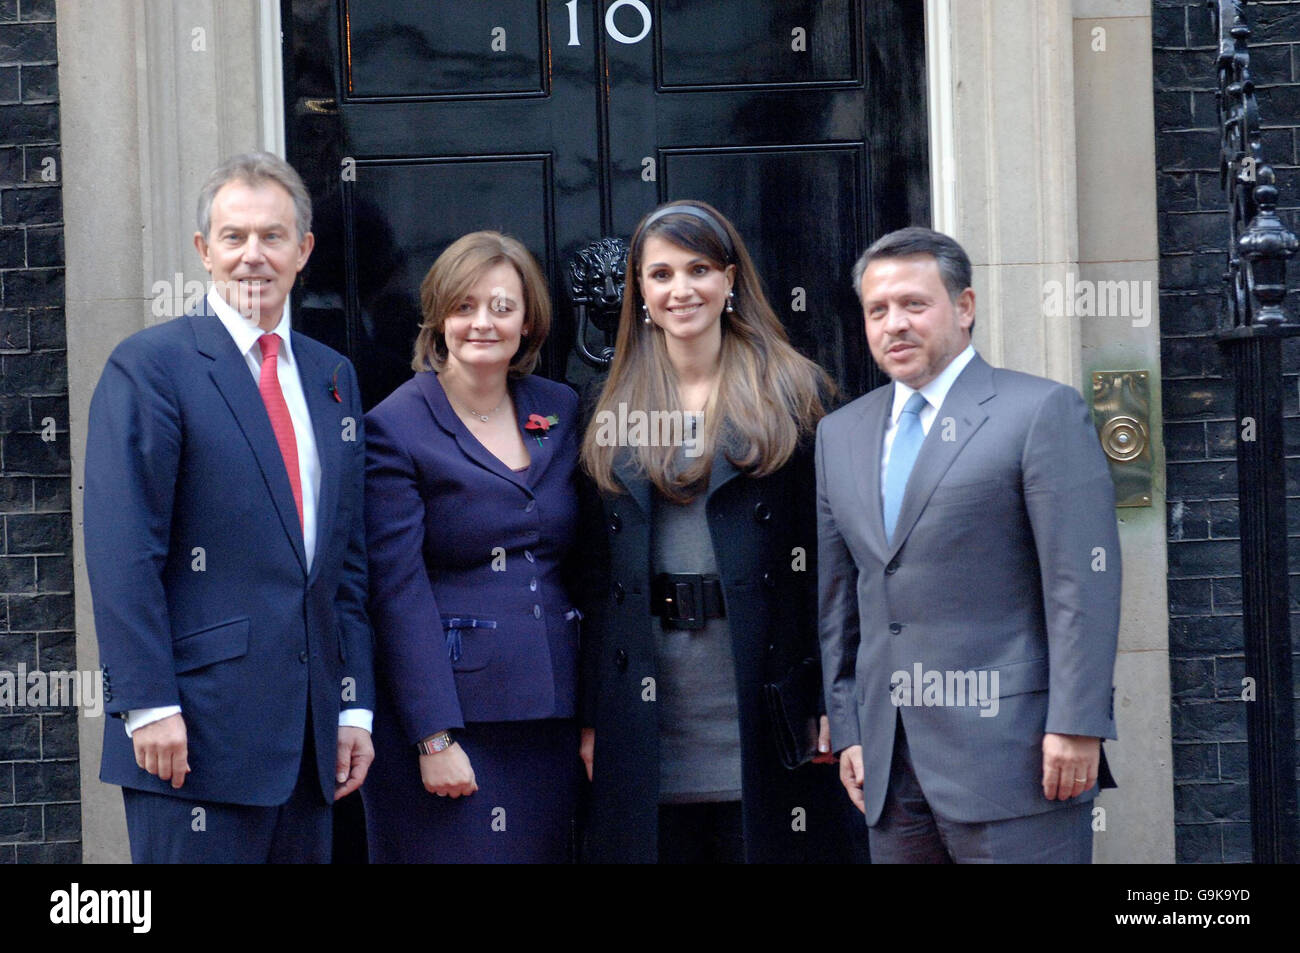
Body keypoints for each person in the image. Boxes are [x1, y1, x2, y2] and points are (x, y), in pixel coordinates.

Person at [83, 152, 375, 863]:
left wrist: (354, 705)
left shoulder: (331, 375)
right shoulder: (150, 366)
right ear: (203, 251)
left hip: (309, 745)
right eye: (234, 236)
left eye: (273, 236)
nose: (253, 256)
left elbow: (346, 561)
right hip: (191, 739)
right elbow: (124, 552)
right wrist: (147, 703)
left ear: (303, 251)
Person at [816, 226, 1121, 863]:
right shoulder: (840, 434)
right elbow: (840, 601)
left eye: (913, 304)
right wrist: (848, 727)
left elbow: (1081, 584)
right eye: (878, 310)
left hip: (1017, 757)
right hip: (889, 767)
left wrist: (1077, 722)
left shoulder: (1040, 412)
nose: (894, 323)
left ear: (965, 307)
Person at [579, 200, 860, 863]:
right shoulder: (608, 399)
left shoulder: (795, 391)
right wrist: (592, 712)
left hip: (764, 695)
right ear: (640, 291)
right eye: (661, 274)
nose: (681, 290)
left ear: (730, 278)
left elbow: (833, 561)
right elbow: (593, 573)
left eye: (699, 268)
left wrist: (830, 694)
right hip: (647, 703)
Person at [362, 231, 582, 863]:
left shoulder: (559, 408)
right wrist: (434, 737)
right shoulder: (395, 426)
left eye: (501, 307)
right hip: (455, 721)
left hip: (550, 714)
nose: (482, 323)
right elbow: (397, 591)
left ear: (528, 321)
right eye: (463, 307)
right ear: (438, 319)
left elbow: (585, 559)